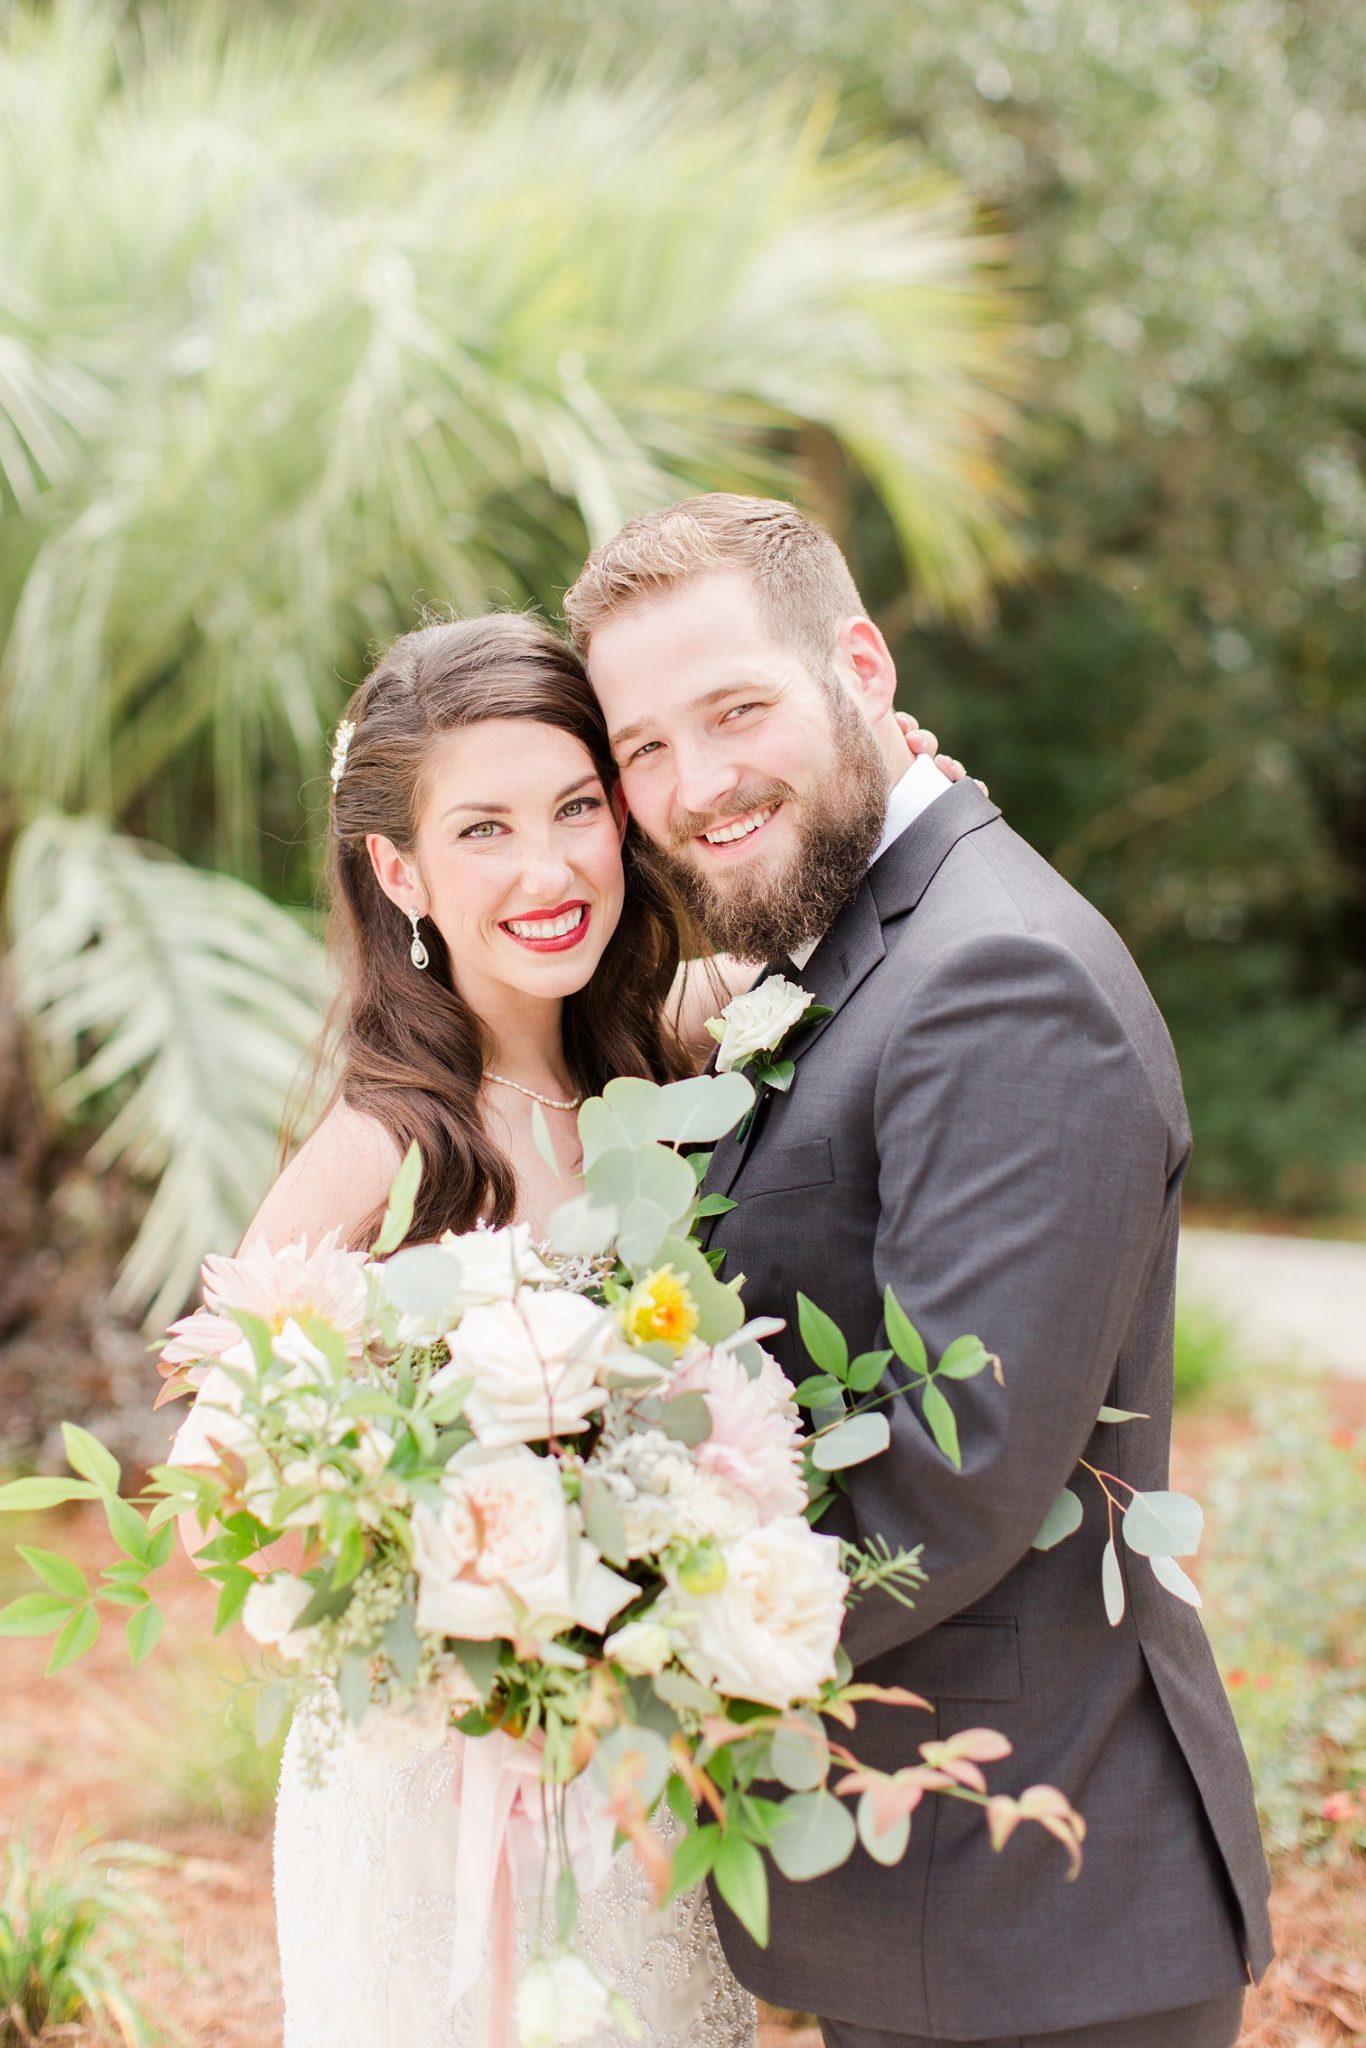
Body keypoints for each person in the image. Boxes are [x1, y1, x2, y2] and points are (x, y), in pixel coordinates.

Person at [169, 608, 962, 2048]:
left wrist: (875, 773)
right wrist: (453, 1553)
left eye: (577, 809)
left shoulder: (679, 1054)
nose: (546, 871)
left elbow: (859, 922)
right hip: (434, 1792)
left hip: (636, 1784)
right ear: (399, 870)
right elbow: (222, 1494)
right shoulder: (378, 1149)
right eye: (482, 831)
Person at [565, 494, 1273, 2048]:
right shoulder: (857, 939)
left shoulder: (997, 975)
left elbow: (953, 1474)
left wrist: (600, 1642)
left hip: (1039, 1913)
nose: (695, 784)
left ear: (860, 670)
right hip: (937, 1906)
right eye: (644, 748)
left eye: (736, 708)